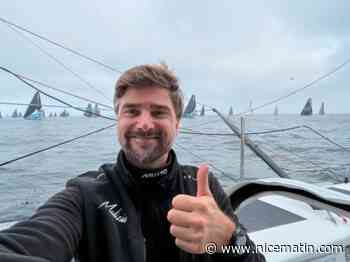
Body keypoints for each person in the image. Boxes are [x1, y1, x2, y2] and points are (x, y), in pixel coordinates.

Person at [0, 63, 265, 262]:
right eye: (132, 111)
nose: (145, 123)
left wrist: (229, 238)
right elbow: (29, 241)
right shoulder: (84, 194)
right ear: (118, 118)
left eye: (159, 112)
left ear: (177, 123)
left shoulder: (201, 187)